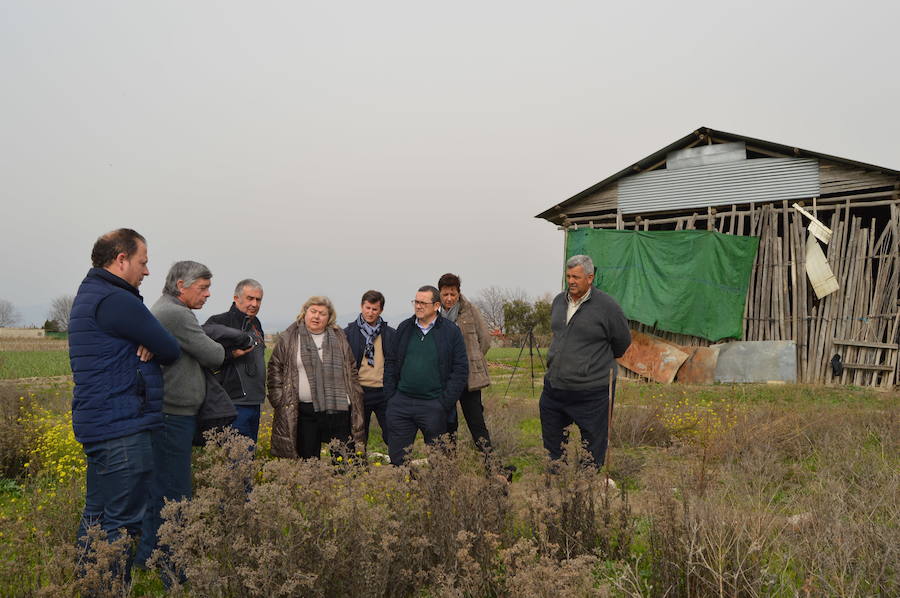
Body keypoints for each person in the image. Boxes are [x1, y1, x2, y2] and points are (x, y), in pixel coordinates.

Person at [69, 229, 180, 574]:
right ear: (121, 260)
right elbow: (171, 349)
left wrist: (147, 340)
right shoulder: (117, 300)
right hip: (122, 425)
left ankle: (85, 586)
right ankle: (109, 587)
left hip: (102, 423)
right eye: (142, 262)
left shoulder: (93, 294)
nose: (146, 271)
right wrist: (150, 341)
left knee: (97, 517)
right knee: (121, 523)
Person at [136, 261, 249, 568]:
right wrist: (221, 348)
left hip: (171, 411)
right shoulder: (176, 313)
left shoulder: (167, 310)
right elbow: (213, 354)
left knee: (162, 487)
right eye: (203, 287)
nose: (208, 294)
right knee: (175, 490)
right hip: (173, 413)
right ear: (181, 286)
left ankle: (149, 557)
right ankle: (172, 563)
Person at [540, 254, 631, 468]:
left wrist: (592, 365)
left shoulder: (607, 307)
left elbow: (622, 342)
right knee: (553, 447)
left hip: (592, 392)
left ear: (590, 278)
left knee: (592, 449)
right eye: (568, 276)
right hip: (555, 388)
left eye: (576, 277)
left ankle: (586, 489)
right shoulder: (558, 301)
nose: (571, 281)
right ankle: (556, 485)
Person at [267, 296, 365, 459]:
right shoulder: (289, 337)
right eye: (313, 311)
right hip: (306, 410)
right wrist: (280, 399)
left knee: (345, 459)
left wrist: (356, 392)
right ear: (305, 313)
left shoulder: (339, 336)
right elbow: (275, 369)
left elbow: (351, 368)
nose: (316, 316)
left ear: (329, 318)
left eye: (322, 313)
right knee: (309, 461)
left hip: (338, 409)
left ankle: (343, 484)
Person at [384, 285, 468, 466]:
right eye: (416, 302)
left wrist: (444, 403)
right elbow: (391, 362)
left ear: (436, 305)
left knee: (439, 460)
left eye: (423, 302)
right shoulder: (404, 328)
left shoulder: (450, 331)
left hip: (433, 404)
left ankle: (436, 493)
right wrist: (392, 397)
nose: (418, 306)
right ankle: (404, 491)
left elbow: (460, 369)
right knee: (398, 459)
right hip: (402, 403)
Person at [437, 273, 494, 453]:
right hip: (445, 379)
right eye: (445, 294)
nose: (449, 298)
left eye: (453, 294)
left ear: (459, 293)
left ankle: (491, 465)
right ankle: (449, 466)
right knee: (448, 423)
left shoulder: (470, 310)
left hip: (470, 378)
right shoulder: (435, 314)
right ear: (439, 294)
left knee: (476, 421)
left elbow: (485, 339)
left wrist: (473, 358)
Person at [205, 279, 266, 446]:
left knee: (248, 459)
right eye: (249, 298)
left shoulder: (256, 324)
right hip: (234, 403)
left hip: (255, 403)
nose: (254, 304)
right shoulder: (218, 322)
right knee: (238, 462)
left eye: (258, 299)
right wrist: (231, 354)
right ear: (236, 298)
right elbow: (205, 356)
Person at [344, 290, 396, 446]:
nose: (370, 312)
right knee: (358, 436)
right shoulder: (348, 333)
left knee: (393, 432)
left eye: (374, 309)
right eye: (367, 308)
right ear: (361, 307)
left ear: (381, 310)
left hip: (384, 391)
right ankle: (359, 469)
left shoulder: (390, 334)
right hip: (359, 392)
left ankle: (399, 467)